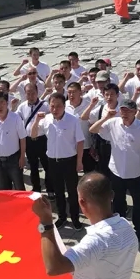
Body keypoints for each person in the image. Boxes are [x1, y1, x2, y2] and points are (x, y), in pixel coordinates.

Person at [89, 99, 140, 242]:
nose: (124, 114)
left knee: (138, 203)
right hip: (116, 171)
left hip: (136, 172)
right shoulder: (113, 123)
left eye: (128, 111)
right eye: (122, 110)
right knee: (118, 202)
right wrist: (106, 117)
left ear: (134, 112)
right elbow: (92, 129)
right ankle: (120, 229)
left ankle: (139, 229)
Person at [32, 92, 85, 229]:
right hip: (53, 161)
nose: (55, 109)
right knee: (58, 191)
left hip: (69, 161)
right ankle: (62, 217)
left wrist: (79, 161)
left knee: (72, 192)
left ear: (64, 106)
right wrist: (36, 121)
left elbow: (80, 141)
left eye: (58, 106)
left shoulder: (73, 120)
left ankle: (75, 218)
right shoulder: (46, 119)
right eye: (52, 106)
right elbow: (33, 135)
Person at [16, 83, 52, 195]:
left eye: (33, 93)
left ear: (37, 93)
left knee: (47, 165)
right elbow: (16, 120)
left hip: (43, 139)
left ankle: (50, 189)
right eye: (28, 93)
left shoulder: (45, 106)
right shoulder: (22, 106)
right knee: (33, 165)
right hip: (29, 141)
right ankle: (36, 188)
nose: (31, 96)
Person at [83, 83, 120, 177]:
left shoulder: (122, 110)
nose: (109, 97)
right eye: (107, 94)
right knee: (103, 170)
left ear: (117, 95)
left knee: (117, 171)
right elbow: (84, 117)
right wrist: (92, 105)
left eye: (112, 94)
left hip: (118, 144)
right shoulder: (101, 108)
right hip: (103, 145)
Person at [66, 82, 97, 173]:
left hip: (86, 145)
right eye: (69, 92)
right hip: (70, 146)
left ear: (80, 92)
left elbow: (93, 124)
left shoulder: (88, 105)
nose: (71, 95)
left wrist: (93, 145)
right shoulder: (64, 105)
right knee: (71, 172)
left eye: (74, 92)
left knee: (89, 172)